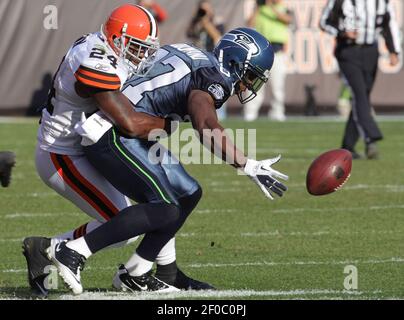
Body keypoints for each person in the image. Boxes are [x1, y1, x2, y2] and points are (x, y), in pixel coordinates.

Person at [46, 27, 289, 295]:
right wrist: (245, 164)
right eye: (250, 75)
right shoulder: (214, 77)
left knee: (188, 193)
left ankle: (146, 271)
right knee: (165, 208)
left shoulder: (194, 53)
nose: (248, 85)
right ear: (234, 62)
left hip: (129, 131)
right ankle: (72, 250)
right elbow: (205, 124)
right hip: (113, 133)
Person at [22, 4, 211, 297]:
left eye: (146, 48)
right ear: (117, 38)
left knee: (155, 199)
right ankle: (55, 249)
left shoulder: (109, 50)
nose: (142, 55)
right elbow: (130, 123)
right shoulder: (94, 59)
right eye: (137, 47)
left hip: (94, 146)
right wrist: (170, 122)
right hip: (63, 153)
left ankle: (156, 271)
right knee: (126, 225)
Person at [320, 0, 401, 159]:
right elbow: (324, 22)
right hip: (347, 51)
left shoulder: (381, 2)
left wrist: (393, 50)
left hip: (371, 51)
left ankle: (348, 146)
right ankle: (371, 137)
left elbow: (388, 23)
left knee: (362, 97)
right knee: (359, 94)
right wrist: (343, 31)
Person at [244, 0, 292, 122]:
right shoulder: (260, 9)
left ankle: (278, 112)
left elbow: (287, 20)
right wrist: (257, 8)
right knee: (254, 85)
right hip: (261, 52)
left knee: (277, 87)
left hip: (277, 52)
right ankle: (250, 113)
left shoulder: (282, 8)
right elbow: (249, 24)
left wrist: (270, 6)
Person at [186, 0, 227, 120]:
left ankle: (220, 114)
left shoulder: (217, 21)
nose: (204, 12)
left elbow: (218, 37)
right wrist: (196, 19)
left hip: (212, 59)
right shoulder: (195, 22)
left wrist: (207, 23)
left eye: (206, 9)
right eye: (202, 9)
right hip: (196, 58)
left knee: (216, 86)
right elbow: (189, 34)